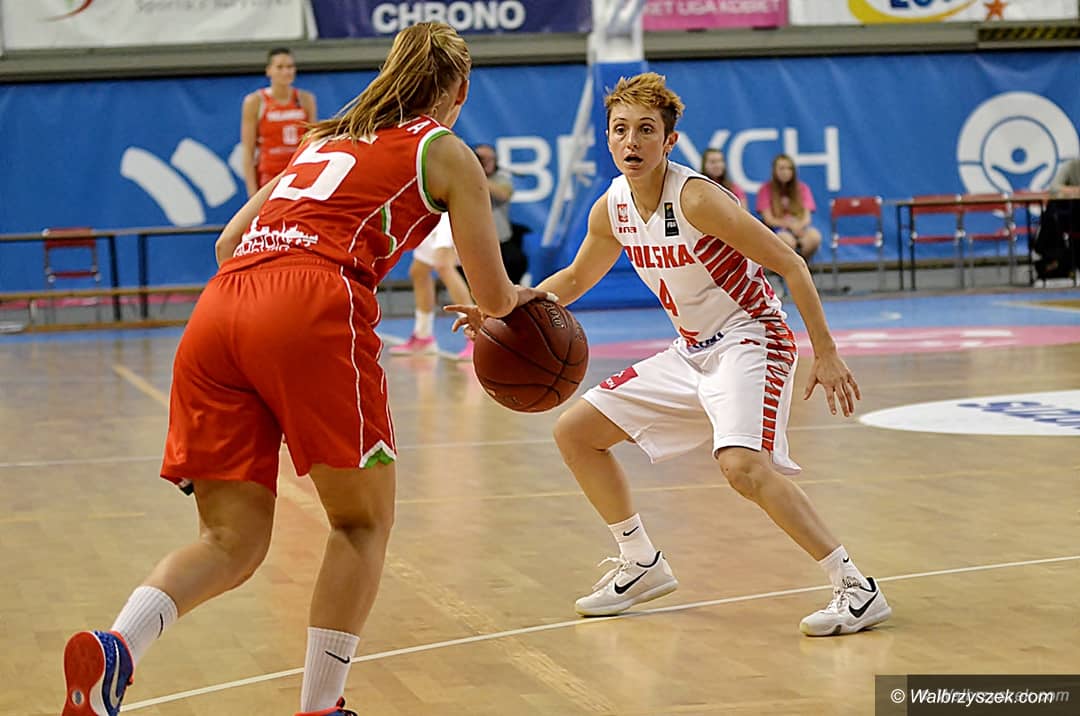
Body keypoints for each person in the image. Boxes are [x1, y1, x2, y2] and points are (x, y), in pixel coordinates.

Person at [61, 22, 547, 716]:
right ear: (459, 89)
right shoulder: (443, 149)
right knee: (360, 524)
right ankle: (321, 707)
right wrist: (526, 300)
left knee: (229, 541)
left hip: (220, 310)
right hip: (312, 303)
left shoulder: (324, 138)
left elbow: (228, 241)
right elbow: (495, 298)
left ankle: (118, 649)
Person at [453, 72, 890, 637]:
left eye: (645, 130)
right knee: (575, 433)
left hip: (751, 337)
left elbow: (791, 264)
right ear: (607, 139)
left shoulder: (697, 199)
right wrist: (502, 308)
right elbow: (577, 278)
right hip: (691, 351)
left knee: (743, 467)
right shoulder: (611, 207)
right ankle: (641, 561)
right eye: (620, 130)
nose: (631, 141)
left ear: (669, 140)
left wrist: (825, 352)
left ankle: (856, 587)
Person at [388, 212, 477, 360]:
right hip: (430, 212)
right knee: (419, 270)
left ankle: (474, 336)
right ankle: (423, 336)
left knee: (443, 265)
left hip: (448, 211)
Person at [240, 47, 318, 197]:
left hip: (299, 174)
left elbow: (312, 142)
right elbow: (248, 151)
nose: (286, 72)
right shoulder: (255, 101)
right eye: (280, 67)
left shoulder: (306, 99)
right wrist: (252, 193)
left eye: (290, 67)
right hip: (269, 177)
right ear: (269, 71)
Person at [756, 153, 822, 262]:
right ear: (774, 171)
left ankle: (802, 264)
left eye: (789, 168)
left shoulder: (803, 188)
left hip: (799, 228)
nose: (785, 172)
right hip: (777, 230)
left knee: (814, 236)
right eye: (781, 168)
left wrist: (798, 226)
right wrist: (789, 226)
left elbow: (807, 218)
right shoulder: (765, 189)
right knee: (787, 241)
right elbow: (769, 219)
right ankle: (789, 266)